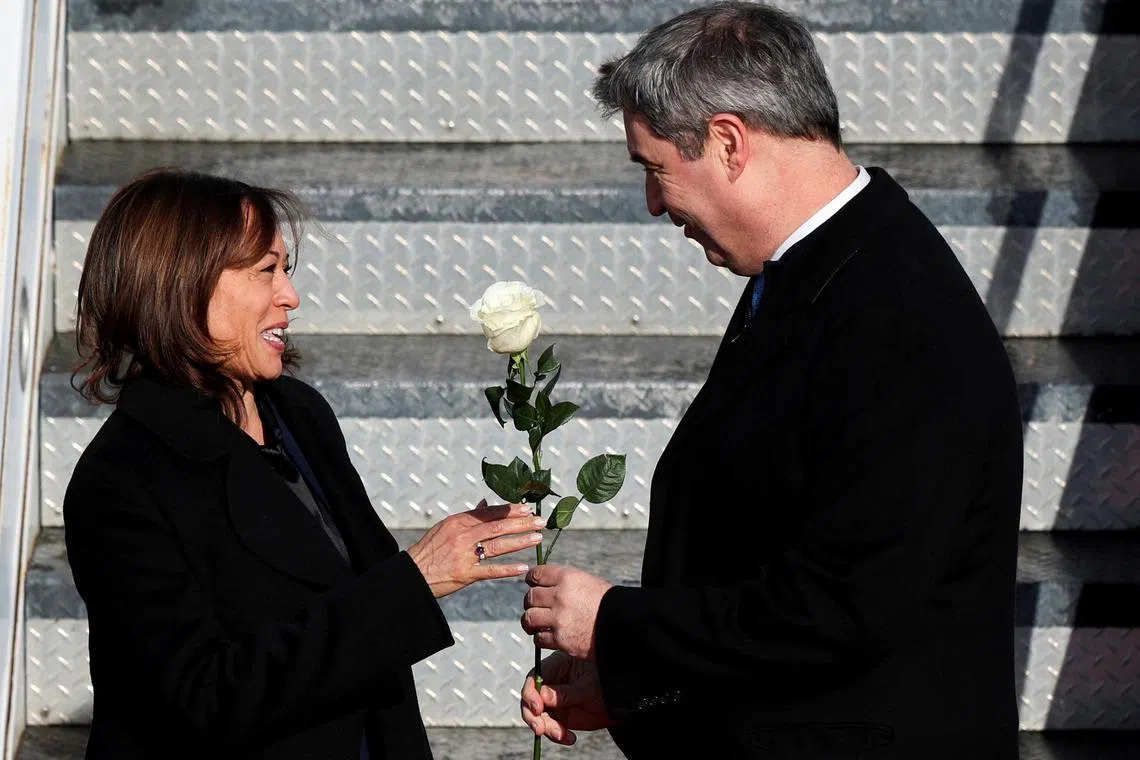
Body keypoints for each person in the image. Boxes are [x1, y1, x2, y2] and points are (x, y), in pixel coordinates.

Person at [519, 3, 1024, 758]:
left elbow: (843, 605)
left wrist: (617, 625)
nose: (654, 204)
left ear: (728, 142)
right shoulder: (816, 274)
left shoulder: (896, 316)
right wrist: (636, 684)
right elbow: (760, 554)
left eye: (656, 169)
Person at [64, 169, 546, 760]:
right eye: (265, 271)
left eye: (286, 269)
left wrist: (436, 564)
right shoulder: (121, 480)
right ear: (179, 285)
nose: (290, 296)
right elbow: (202, 699)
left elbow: (355, 607)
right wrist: (413, 580)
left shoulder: (297, 413)